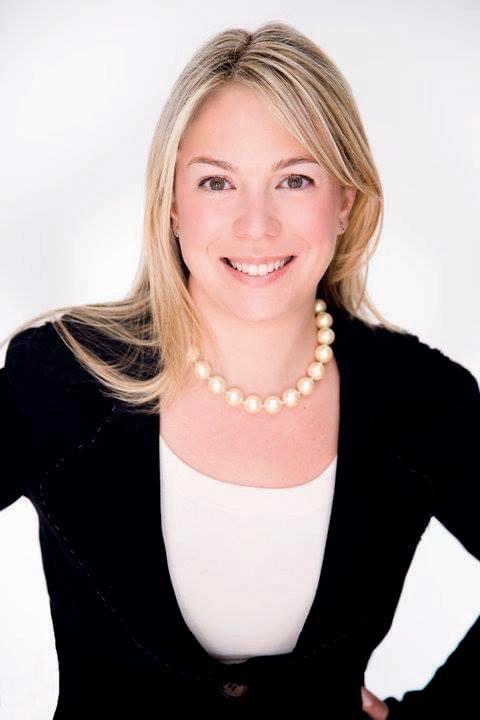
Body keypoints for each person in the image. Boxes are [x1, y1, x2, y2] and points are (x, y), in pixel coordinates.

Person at [1, 21, 478, 720]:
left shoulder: (423, 400)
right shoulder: (63, 376)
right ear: (171, 203)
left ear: (345, 200)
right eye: (217, 182)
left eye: (294, 180)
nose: (257, 225)